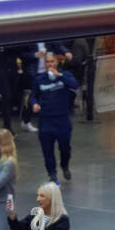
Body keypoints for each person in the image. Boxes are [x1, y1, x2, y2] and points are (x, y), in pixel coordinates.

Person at [29, 51, 79, 184]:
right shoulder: (39, 79)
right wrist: (34, 104)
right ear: (44, 64)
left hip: (62, 120)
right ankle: (52, 174)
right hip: (46, 120)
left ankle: (65, 165)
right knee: (47, 151)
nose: (50, 64)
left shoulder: (65, 75)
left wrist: (60, 76)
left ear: (57, 63)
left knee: (65, 148)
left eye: (52, 61)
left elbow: (75, 85)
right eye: (47, 62)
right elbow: (33, 95)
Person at [69, 36, 98, 121]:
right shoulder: (82, 41)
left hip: (77, 76)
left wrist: (64, 61)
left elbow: (76, 61)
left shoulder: (77, 44)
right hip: (80, 75)